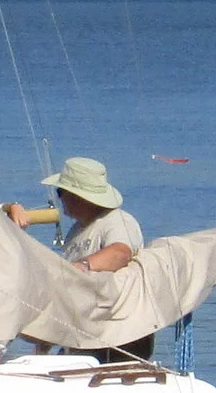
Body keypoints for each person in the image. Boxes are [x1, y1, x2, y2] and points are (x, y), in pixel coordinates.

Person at [17, 155, 153, 362]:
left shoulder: (117, 221)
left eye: (61, 192)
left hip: (118, 334)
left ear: (78, 196)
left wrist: (82, 267)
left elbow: (120, 253)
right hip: (84, 334)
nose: (59, 199)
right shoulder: (77, 231)